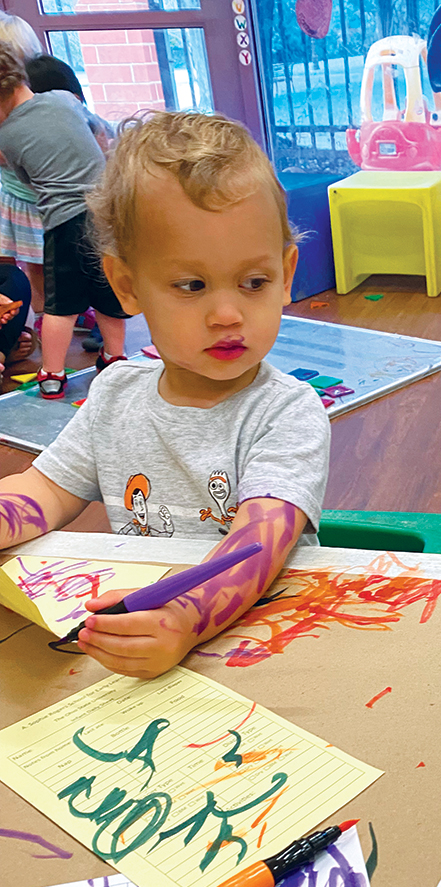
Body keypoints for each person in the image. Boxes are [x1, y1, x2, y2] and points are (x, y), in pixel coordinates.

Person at [0, 109, 330, 680]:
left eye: (255, 282)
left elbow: (260, 541)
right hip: (140, 637)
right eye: (192, 285)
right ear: (127, 286)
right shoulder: (115, 395)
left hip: (255, 646)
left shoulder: (287, 412)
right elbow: (44, 491)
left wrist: (185, 618)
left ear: (286, 272)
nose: (228, 314)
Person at [0, 41, 127, 398]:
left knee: (61, 305)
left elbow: (28, 181)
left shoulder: (7, 136)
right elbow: (98, 134)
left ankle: (52, 373)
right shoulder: (65, 99)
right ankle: (115, 358)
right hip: (106, 213)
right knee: (109, 292)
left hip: (63, 223)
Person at [0, 15, 44, 333]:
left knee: (43, 263)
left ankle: (40, 320)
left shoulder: (41, 96)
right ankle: (32, 323)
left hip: (40, 197)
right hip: (14, 197)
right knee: (19, 271)